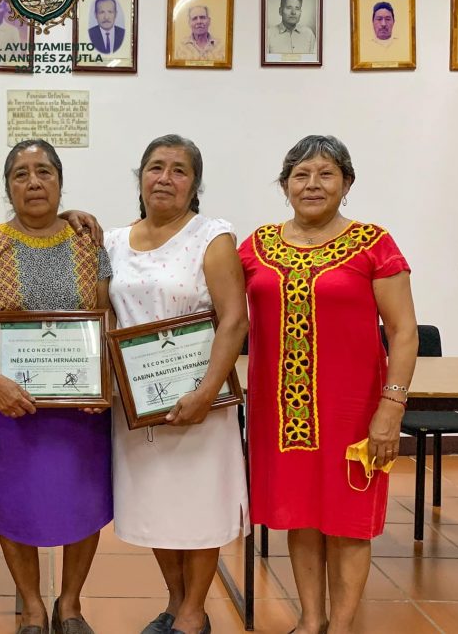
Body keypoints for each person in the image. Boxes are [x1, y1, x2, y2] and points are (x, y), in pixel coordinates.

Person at [238, 135, 417, 634]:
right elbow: (216, 303)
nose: (312, 185)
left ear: (347, 183)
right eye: (300, 175)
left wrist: (391, 409)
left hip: (354, 412)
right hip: (282, 415)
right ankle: (310, 620)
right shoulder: (257, 246)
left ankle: (340, 626)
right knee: (301, 515)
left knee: (348, 520)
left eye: (325, 174)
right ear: (284, 185)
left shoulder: (373, 244)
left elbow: (403, 332)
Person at [0, 140, 112, 634]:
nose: (33, 182)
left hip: (79, 406)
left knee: (82, 503)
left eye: (43, 171)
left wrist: (101, 381)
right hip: (8, 405)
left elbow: (106, 318)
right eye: (20, 174)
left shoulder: (90, 242)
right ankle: (31, 606)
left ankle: (70, 605)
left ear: (60, 181)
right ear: (8, 188)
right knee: (17, 505)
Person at [105, 135, 248, 634]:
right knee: (157, 506)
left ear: (195, 183)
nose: (165, 178)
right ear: (140, 177)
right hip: (138, 405)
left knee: (199, 506)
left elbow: (234, 320)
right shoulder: (113, 241)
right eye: (155, 167)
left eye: (179, 170)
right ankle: (174, 600)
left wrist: (207, 391)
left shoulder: (213, 236)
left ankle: (193, 612)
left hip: (200, 399)